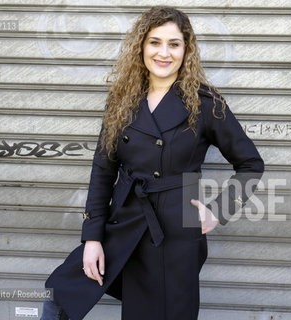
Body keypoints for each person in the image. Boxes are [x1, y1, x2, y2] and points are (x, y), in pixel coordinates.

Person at [41, 5, 264, 320]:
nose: (164, 53)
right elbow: (103, 170)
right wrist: (92, 237)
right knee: (61, 294)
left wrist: (218, 210)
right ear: (141, 47)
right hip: (124, 218)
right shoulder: (122, 99)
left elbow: (251, 165)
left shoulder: (205, 103)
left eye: (174, 44)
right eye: (155, 42)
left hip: (175, 227)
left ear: (186, 50)